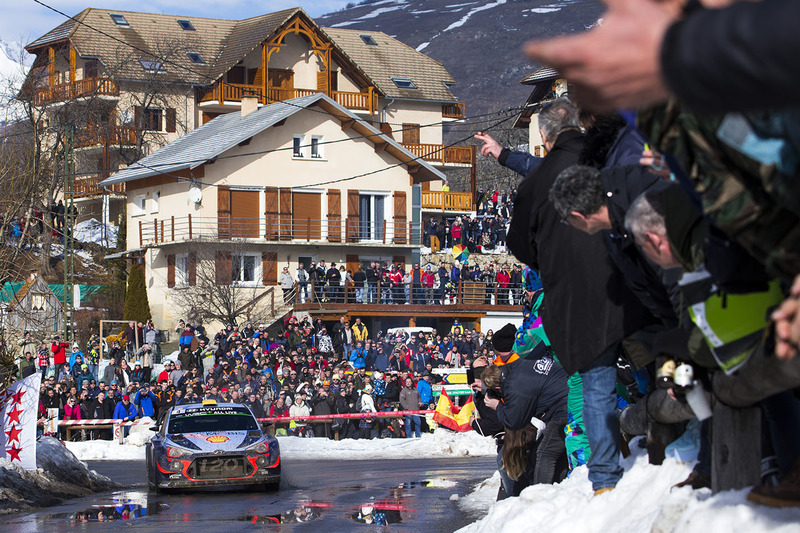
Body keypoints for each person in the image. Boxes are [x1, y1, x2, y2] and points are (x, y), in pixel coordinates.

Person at [478, 98, 652, 495]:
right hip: (627, 284)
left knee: (593, 381)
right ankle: (665, 442)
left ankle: (603, 478)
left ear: (543, 135)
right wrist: (505, 155)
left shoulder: (543, 180)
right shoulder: (606, 158)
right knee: (646, 366)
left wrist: (548, 259)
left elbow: (520, 244)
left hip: (572, 297)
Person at [483, 324, 569, 496]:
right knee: (551, 453)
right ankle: (558, 490)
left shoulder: (516, 381)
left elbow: (515, 421)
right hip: (565, 398)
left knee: (545, 453)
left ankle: (537, 500)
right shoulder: (525, 360)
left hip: (563, 407)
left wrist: (497, 405)